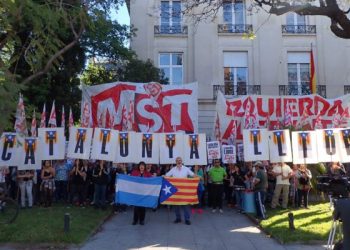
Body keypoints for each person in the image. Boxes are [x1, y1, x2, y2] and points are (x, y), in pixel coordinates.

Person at [165, 156, 195, 225]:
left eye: (180, 160)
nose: (179, 161)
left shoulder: (186, 169)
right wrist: (163, 176)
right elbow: (167, 175)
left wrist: (198, 177)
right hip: (176, 191)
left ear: (182, 161)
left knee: (186, 206)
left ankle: (187, 219)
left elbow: (193, 175)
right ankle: (178, 218)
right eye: (177, 160)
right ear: (176, 162)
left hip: (184, 191)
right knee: (176, 206)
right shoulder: (173, 169)